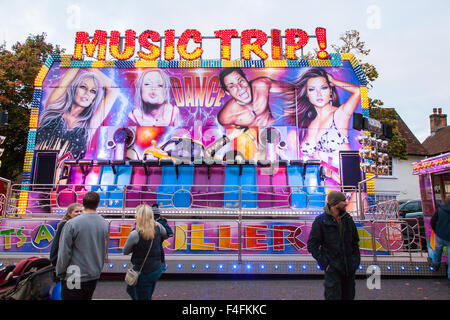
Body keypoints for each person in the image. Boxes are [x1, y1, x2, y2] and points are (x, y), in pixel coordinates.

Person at [36, 68, 119, 159]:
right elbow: (69, 74)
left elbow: (114, 90)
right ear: (74, 89)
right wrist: (79, 64)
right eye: (83, 87)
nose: (87, 93)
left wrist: (90, 67)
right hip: (38, 169)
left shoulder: (90, 124)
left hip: (66, 172)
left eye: (93, 91)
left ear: (93, 100)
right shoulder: (53, 110)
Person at [283, 68, 360, 161]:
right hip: (317, 175)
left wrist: (334, 81)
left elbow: (357, 91)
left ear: (330, 91)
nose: (318, 94)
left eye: (324, 88)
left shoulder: (339, 114)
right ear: (307, 94)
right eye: (312, 89)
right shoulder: (308, 122)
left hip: (345, 173)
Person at [307, 191, 361, 300]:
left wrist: (355, 261)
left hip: (349, 268)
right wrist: (325, 263)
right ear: (334, 203)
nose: (345, 203)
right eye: (343, 201)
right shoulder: (320, 221)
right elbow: (312, 245)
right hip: (333, 269)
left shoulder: (348, 219)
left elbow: (355, 242)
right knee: (333, 297)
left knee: (349, 296)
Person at [56, 192, 109, 300]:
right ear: (97, 204)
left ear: (83, 204)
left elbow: (64, 252)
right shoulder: (104, 223)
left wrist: (60, 272)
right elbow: (104, 248)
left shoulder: (72, 224)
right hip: (93, 273)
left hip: (74, 274)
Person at [123, 204, 171, 300]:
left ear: (138, 216)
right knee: (137, 291)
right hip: (156, 268)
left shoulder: (135, 233)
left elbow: (125, 251)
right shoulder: (158, 227)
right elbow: (166, 235)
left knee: (141, 295)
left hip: (142, 270)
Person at [217, 68, 291, 127]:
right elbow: (228, 136)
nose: (239, 87)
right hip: (253, 142)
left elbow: (293, 90)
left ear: (246, 79)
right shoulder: (226, 116)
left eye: (241, 81)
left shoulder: (262, 85)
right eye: (232, 86)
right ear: (227, 92)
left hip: (276, 129)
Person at [429, 198, 450, 281]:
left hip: (440, 234)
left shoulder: (440, 209)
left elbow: (432, 221)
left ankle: (435, 265)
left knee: (437, 250)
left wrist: (436, 230)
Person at [151, 203, 174, 269]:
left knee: (159, 250)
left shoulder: (157, 219)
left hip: (153, 237)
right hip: (157, 238)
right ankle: (162, 263)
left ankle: (161, 263)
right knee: (160, 250)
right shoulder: (161, 220)